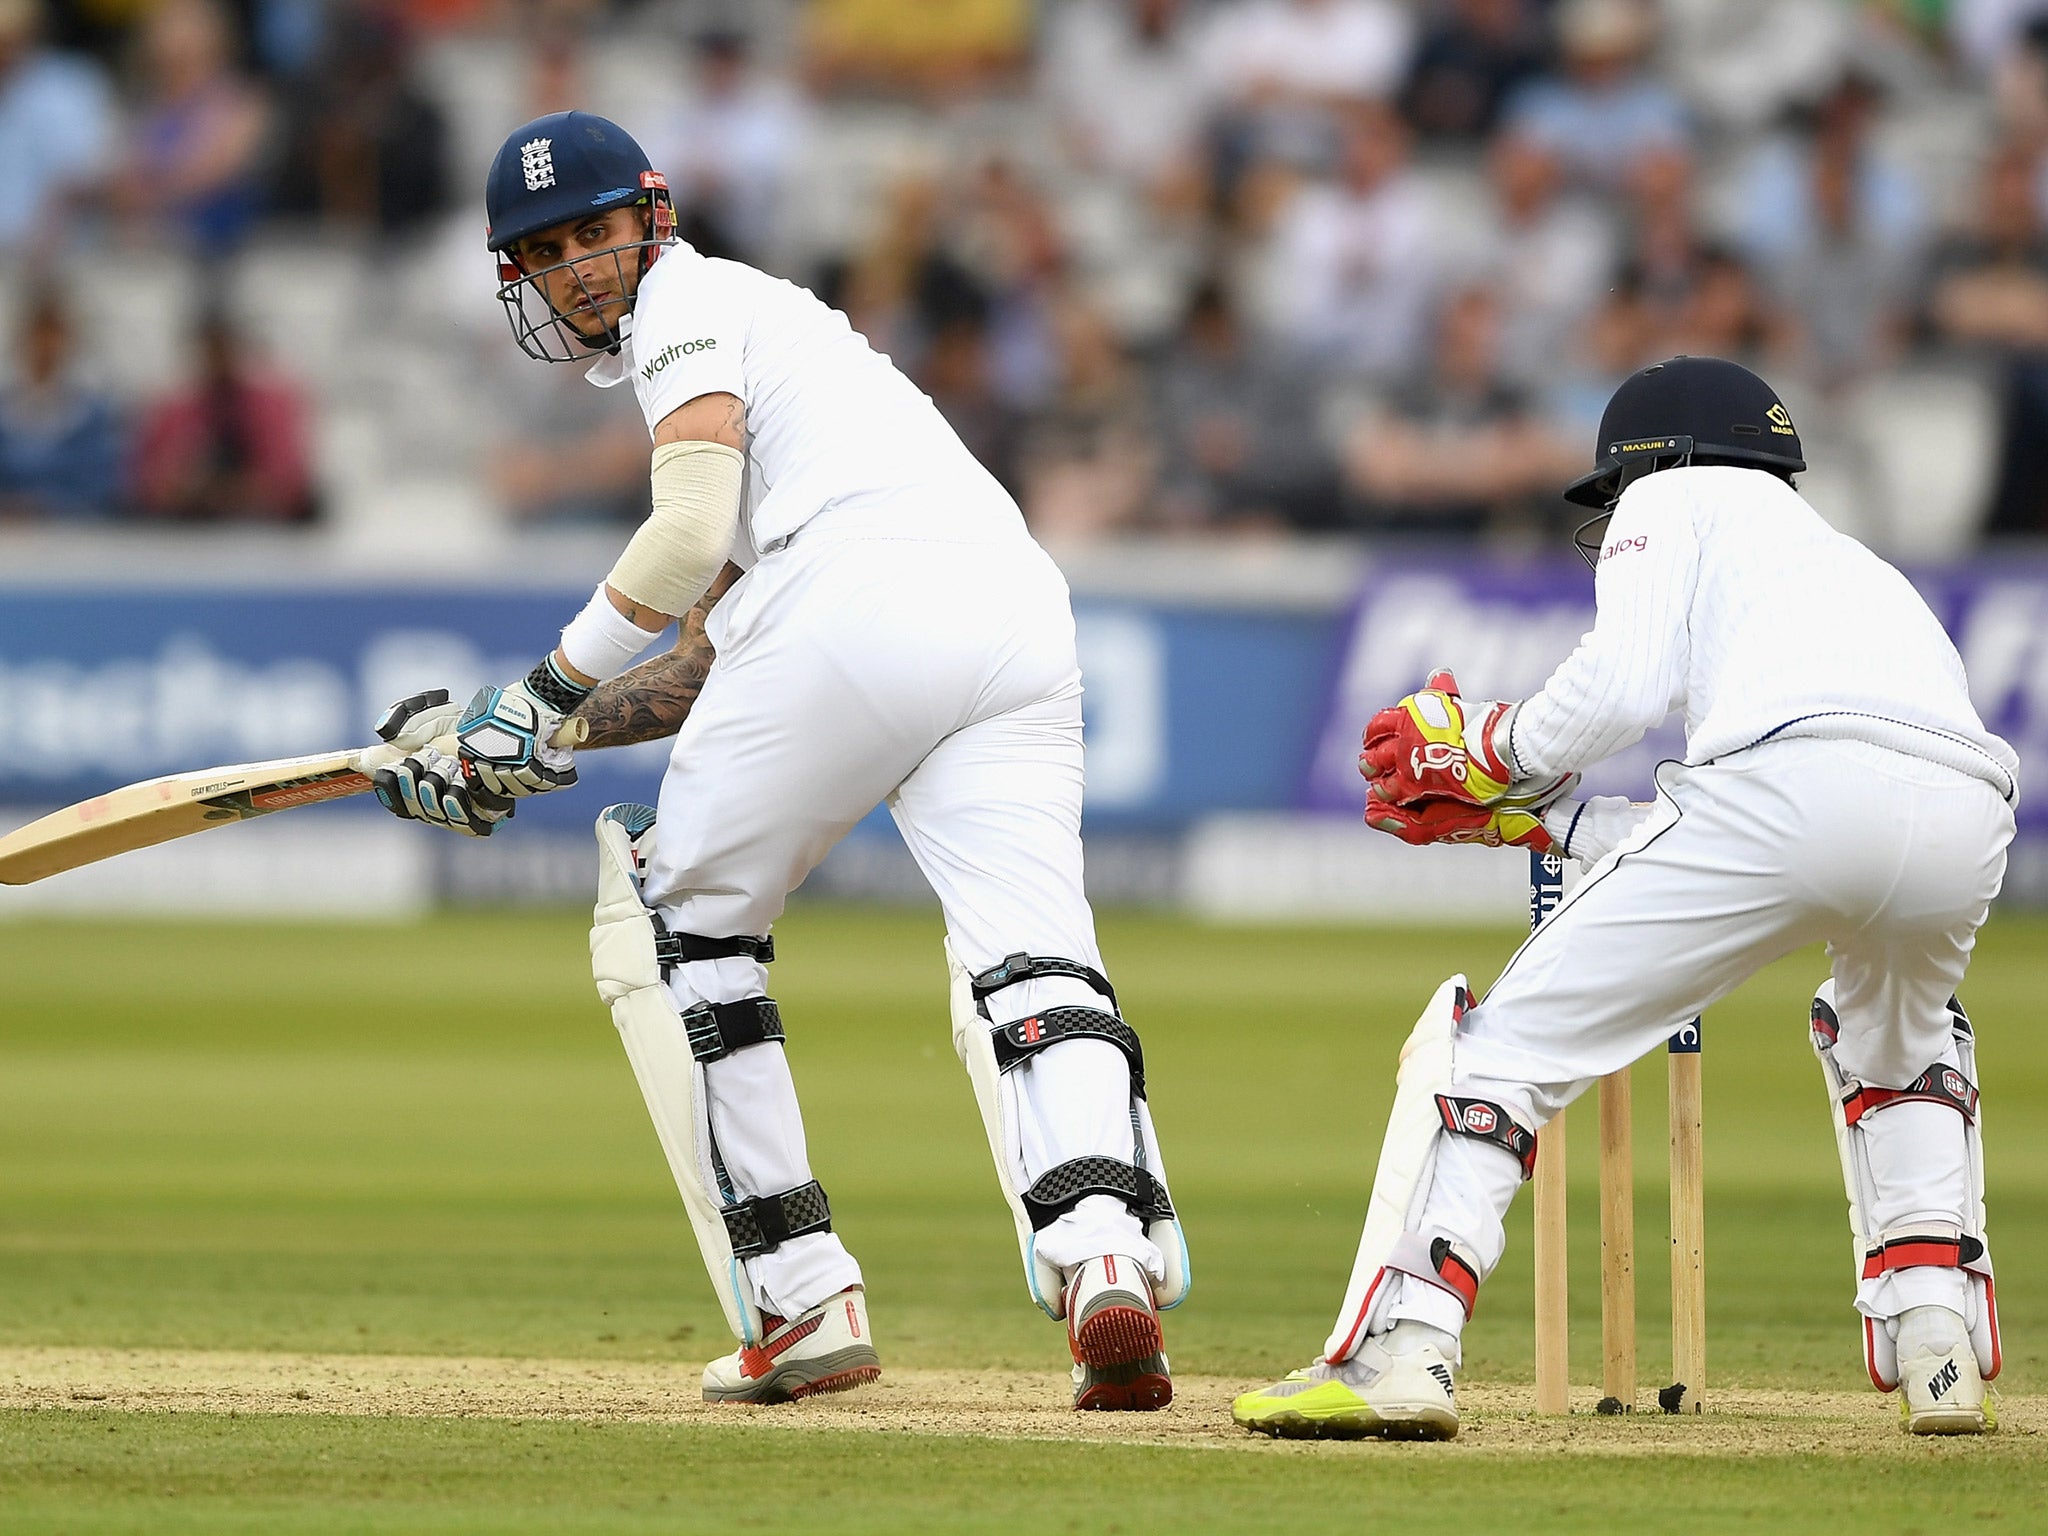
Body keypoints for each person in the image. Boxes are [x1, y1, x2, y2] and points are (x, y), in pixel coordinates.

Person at [364, 112, 1188, 1410]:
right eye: (546, 248)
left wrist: (535, 694)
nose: (580, 265)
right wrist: (536, 736)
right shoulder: (786, 343)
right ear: (519, 272)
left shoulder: (688, 305)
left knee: (688, 915)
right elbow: (710, 666)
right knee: (1031, 947)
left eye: (595, 232)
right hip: (1013, 609)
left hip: (854, 594)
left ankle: (800, 1296)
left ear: (653, 217)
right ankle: (1103, 1256)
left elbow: (688, 532)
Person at [1232, 355, 2016, 1439]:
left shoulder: (1669, 493)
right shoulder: (1846, 568)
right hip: (1966, 813)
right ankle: (1939, 1357)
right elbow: (1750, 813)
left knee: (1500, 1050)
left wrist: (1486, 747)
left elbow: (1622, 693)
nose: (1609, 521)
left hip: (1789, 789)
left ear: (1650, 460)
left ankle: (1401, 1352)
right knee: (1898, 1046)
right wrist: (1540, 817)